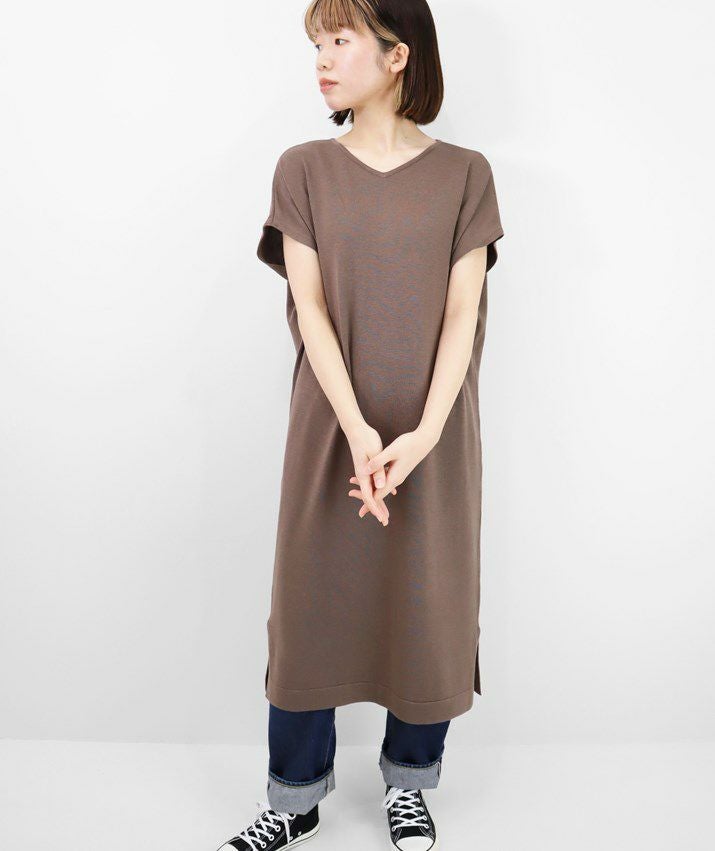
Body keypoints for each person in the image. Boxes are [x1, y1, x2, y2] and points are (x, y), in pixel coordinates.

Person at [216, 1, 504, 849]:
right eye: (316, 43)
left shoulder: (466, 174)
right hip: (330, 430)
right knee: (308, 604)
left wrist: (423, 434)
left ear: (396, 54)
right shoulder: (304, 168)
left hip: (433, 436)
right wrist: (358, 430)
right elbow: (308, 308)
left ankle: (409, 784)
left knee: (428, 601)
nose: (321, 58)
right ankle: (294, 795)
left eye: (339, 40)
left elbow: (463, 314)